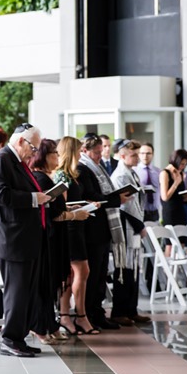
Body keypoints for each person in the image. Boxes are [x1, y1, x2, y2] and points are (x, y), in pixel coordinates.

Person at [0, 123, 52, 357]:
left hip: (24, 236)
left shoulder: (17, 161)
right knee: (16, 291)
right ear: (20, 141)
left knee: (26, 291)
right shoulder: (2, 159)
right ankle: (9, 339)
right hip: (11, 238)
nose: (35, 153)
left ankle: (18, 337)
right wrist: (33, 198)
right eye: (33, 147)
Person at [77, 133, 133, 331]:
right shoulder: (82, 168)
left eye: (101, 152)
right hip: (92, 229)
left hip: (103, 229)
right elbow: (91, 196)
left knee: (101, 274)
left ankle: (97, 311)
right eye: (96, 153)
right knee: (93, 276)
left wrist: (116, 197)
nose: (100, 156)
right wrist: (117, 199)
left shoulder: (97, 167)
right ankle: (90, 313)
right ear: (85, 151)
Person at [28, 139, 71, 344]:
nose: (58, 157)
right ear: (44, 157)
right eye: (54, 154)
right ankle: (41, 326)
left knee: (51, 284)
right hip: (48, 238)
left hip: (55, 236)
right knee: (45, 284)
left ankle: (51, 324)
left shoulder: (48, 177)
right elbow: (52, 213)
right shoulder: (40, 178)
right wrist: (73, 216)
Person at [55, 136, 98, 336]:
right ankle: (77, 315)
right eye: (79, 150)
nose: (82, 154)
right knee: (80, 271)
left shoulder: (72, 174)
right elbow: (60, 206)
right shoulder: (61, 175)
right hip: (69, 227)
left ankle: (69, 315)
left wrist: (88, 204)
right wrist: (80, 207)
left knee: (74, 273)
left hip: (78, 225)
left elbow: (73, 199)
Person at [109, 140, 151, 325]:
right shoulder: (119, 175)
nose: (136, 158)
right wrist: (139, 226)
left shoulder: (131, 172)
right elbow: (123, 207)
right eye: (133, 155)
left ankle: (132, 309)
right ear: (123, 155)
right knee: (123, 270)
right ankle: (119, 311)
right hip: (126, 226)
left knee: (133, 269)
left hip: (134, 225)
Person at [159, 149, 187, 230]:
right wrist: (176, 183)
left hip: (180, 210)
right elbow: (165, 197)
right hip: (170, 211)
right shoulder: (165, 173)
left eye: (185, 164)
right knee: (170, 240)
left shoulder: (181, 173)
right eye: (182, 164)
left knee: (182, 240)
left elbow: (182, 195)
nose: (183, 167)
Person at [136, 143, 161, 222]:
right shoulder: (134, 171)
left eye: (148, 153)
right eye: (142, 153)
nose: (145, 156)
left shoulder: (158, 172)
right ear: (139, 154)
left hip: (154, 212)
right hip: (140, 212)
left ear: (152, 154)